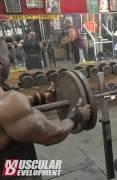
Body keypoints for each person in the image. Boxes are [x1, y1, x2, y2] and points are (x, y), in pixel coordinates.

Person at [0, 38, 91, 177]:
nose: (9, 59)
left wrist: (43, 96)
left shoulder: (7, 101)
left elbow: (11, 109)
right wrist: (77, 116)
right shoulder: (9, 103)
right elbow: (52, 134)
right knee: (50, 167)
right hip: (12, 171)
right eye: (7, 55)